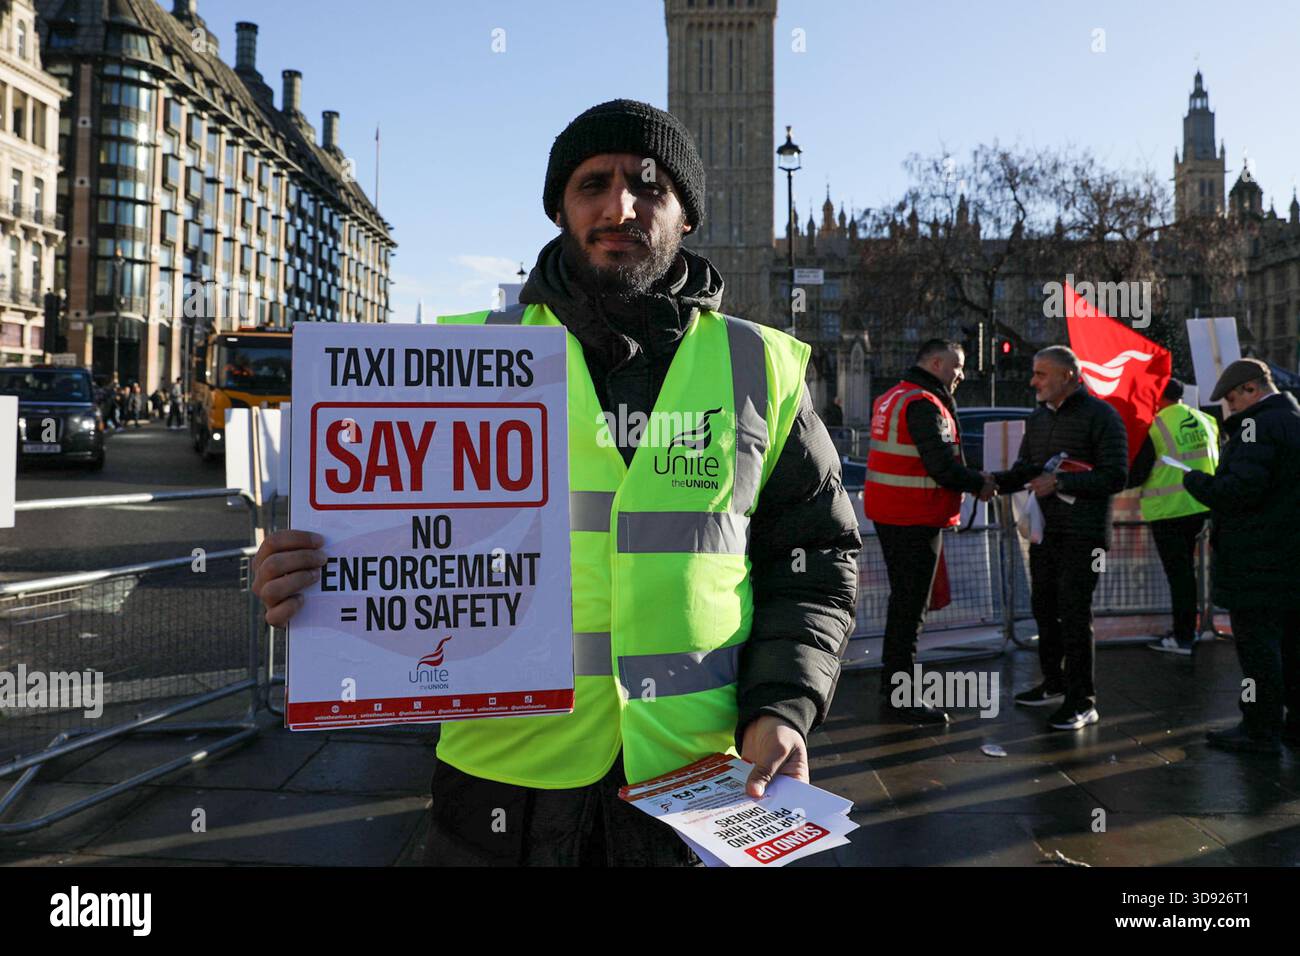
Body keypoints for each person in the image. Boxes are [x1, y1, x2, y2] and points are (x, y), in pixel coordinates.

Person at [251, 99, 862, 866]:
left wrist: (785, 706)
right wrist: (308, 577)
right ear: (560, 209)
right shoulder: (459, 356)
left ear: (687, 216)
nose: (620, 206)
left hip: (701, 776)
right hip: (503, 784)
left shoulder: (761, 366)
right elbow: (393, 550)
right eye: (592, 184)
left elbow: (816, 559)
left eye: (650, 187)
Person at [994, 346, 1128, 731]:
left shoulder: (1102, 416)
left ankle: (1082, 700)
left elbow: (1116, 475)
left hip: (1083, 535)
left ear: (1068, 376)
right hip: (1044, 533)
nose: (1033, 381)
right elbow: (1026, 469)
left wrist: (1063, 481)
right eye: (1034, 373)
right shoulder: (1037, 419)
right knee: (1044, 609)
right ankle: (1053, 683)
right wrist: (988, 483)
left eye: (1041, 374)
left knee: (1073, 613)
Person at [864, 339, 994, 723]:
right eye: (957, 366)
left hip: (892, 513)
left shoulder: (892, 397)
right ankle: (900, 696)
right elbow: (941, 466)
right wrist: (979, 482)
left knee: (903, 605)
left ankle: (895, 690)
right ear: (936, 363)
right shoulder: (923, 403)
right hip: (914, 517)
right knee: (909, 610)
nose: (961, 375)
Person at [1183, 359, 1300, 754]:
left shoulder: (1258, 428)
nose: (1230, 409)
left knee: (1257, 651)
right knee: (1291, 646)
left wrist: (1198, 482)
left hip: (1257, 560)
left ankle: (1259, 728)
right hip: (1289, 558)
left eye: (1232, 399)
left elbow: (1239, 493)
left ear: (1252, 389)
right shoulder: (1293, 419)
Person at [1125, 377, 1219, 655]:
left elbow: (1137, 475)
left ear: (1157, 397)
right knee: (1191, 576)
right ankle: (1194, 630)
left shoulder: (1155, 427)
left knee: (1179, 577)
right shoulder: (1205, 420)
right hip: (1202, 505)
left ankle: (1183, 637)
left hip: (1170, 510)